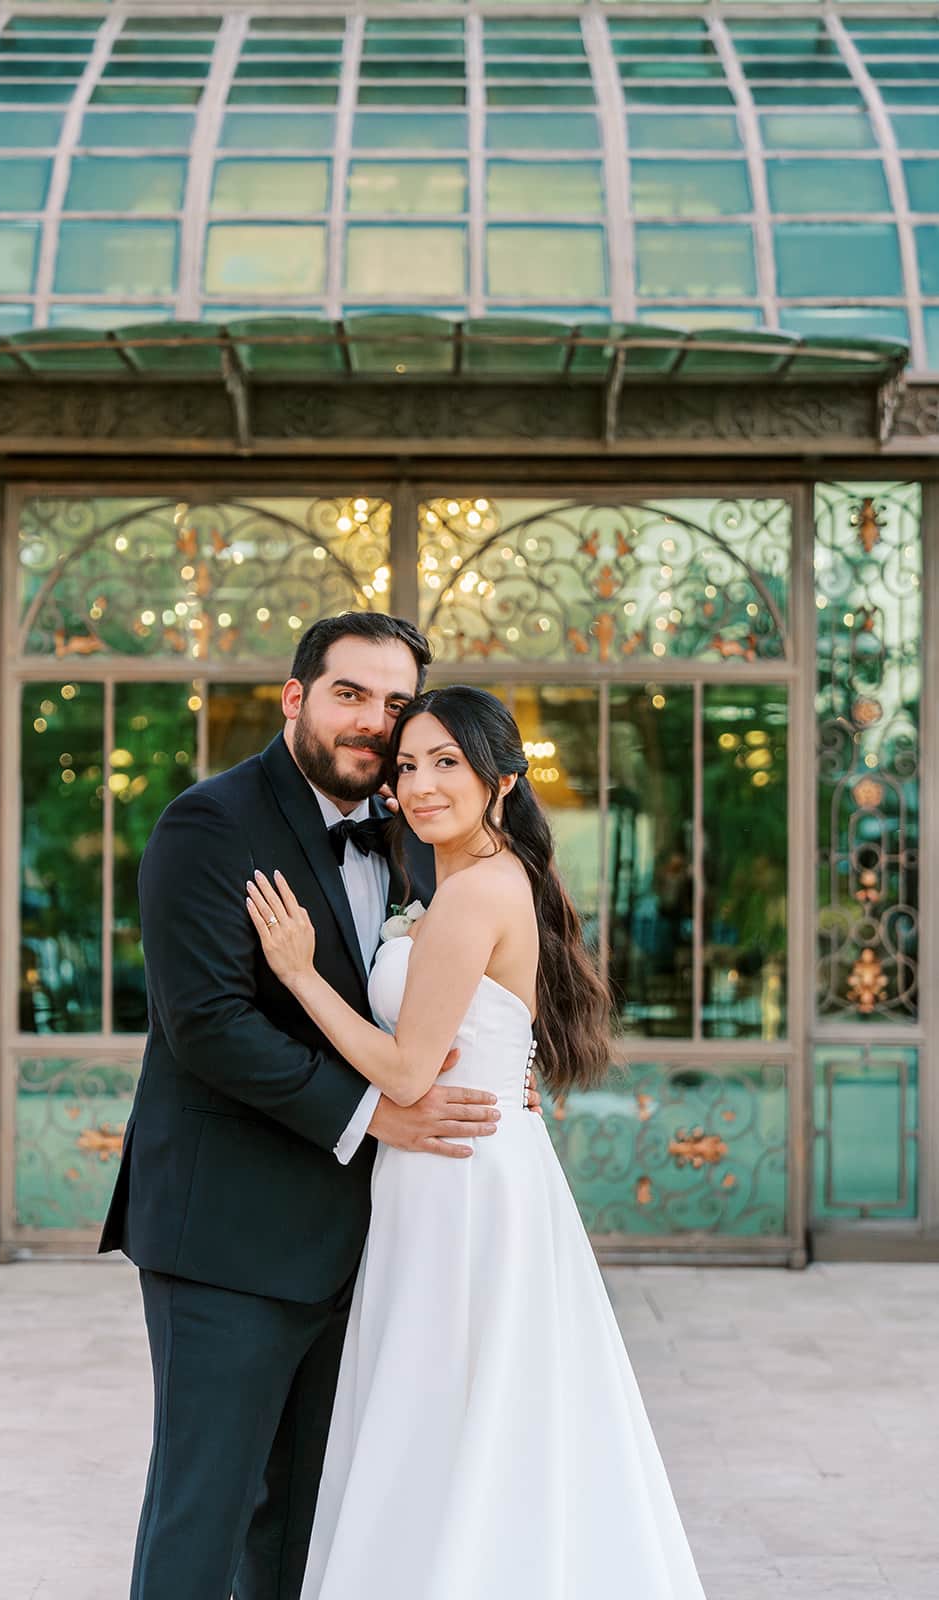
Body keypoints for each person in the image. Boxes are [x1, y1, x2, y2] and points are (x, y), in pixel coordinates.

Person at [99, 614, 541, 1600]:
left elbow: (453, 981)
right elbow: (205, 1022)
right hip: (228, 1237)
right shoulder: (208, 823)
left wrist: (504, 1056)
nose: (374, 724)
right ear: (294, 697)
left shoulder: (413, 828)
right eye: (351, 694)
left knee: (313, 1524)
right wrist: (375, 1115)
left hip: (370, 1242)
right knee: (203, 1509)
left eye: (395, 705)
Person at [247, 685, 709, 1600]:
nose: (418, 785)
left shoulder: (473, 893)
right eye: (407, 765)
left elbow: (409, 1073)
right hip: (461, 1170)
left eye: (445, 763)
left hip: (456, 1181)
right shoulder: (468, 882)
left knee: (443, 1404)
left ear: (501, 778)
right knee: (466, 1406)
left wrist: (299, 975)